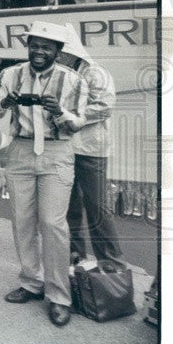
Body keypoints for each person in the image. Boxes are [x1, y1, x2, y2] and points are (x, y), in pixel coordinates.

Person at [0, 21, 89, 327]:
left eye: (46, 46)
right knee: (22, 219)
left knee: (53, 223)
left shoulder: (74, 81)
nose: (39, 51)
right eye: (34, 45)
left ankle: (59, 296)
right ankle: (31, 282)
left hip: (57, 152)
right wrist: (6, 101)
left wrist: (58, 111)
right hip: (20, 149)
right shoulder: (10, 74)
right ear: (28, 45)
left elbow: (77, 124)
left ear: (57, 51)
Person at [59, 39, 125, 268]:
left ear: (71, 53)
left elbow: (105, 106)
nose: (58, 56)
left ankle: (110, 261)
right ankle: (74, 253)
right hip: (68, 146)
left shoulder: (96, 72)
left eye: (61, 52)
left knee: (96, 206)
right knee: (70, 205)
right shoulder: (66, 72)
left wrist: (67, 116)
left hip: (91, 149)